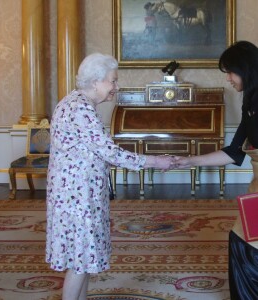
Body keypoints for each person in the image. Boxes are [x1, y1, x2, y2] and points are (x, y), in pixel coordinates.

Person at [45, 52, 175, 300]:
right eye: (112, 81)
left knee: (80, 261)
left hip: (76, 195)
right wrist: (155, 161)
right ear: (95, 81)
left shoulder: (73, 102)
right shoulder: (80, 108)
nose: (116, 86)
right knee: (79, 263)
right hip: (77, 198)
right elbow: (110, 153)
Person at [174, 40, 258, 300]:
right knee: (242, 242)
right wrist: (190, 161)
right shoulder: (250, 101)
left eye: (230, 73)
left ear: (245, 69)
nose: (229, 80)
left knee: (246, 243)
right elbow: (234, 152)